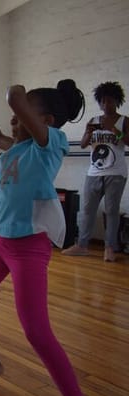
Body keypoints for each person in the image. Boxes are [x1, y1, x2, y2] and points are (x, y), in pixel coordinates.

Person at [0, 81, 97, 396]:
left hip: (28, 248)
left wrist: (18, 94)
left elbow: (15, 97)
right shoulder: (14, 149)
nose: (14, 122)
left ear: (44, 119)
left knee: (36, 330)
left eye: (21, 118)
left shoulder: (49, 146)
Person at [62, 81, 128, 262]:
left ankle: (109, 248)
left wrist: (116, 131)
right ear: (99, 102)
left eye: (110, 101)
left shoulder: (124, 121)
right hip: (94, 172)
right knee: (87, 210)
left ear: (117, 101)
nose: (106, 104)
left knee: (111, 211)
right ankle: (82, 245)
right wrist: (89, 133)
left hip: (116, 173)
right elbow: (84, 144)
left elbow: (128, 141)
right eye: (103, 101)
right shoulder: (93, 121)